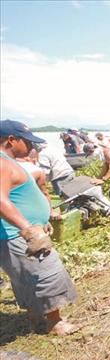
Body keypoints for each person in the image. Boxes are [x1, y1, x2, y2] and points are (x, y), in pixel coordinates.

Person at [0, 120, 78, 335]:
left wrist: (41, 220)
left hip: (16, 233)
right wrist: (28, 229)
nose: (30, 147)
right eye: (26, 141)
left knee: (26, 276)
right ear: (11, 140)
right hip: (17, 234)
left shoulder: (9, 161)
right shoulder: (2, 163)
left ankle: (37, 319)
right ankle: (55, 323)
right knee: (46, 273)